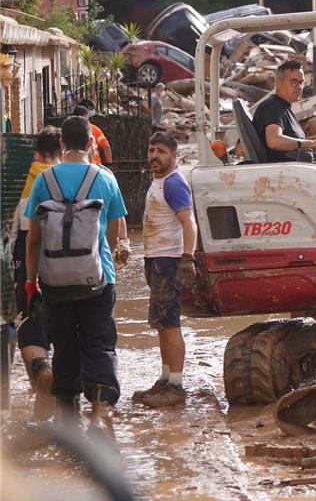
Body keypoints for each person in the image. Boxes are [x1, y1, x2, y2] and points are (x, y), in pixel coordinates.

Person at [23, 115, 129, 439]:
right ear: (91, 143)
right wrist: (102, 259)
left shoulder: (45, 180)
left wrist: (31, 282)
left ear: (61, 144)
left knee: (65, 346)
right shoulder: (106, 178)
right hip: (98, 278)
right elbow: (114, 232)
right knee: (99, 343)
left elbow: (33, 240)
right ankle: (101, 409)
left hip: (54, 282)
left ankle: (68, 425)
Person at [133, 132, 198, 408]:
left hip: (170, 260)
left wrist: (187, 258)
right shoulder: (159, 181)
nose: (154, 156)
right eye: (151, 150)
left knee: (170, 323)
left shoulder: (173, 183)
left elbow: (189, 223)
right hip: (156, 259)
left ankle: (176, 385)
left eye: (160, 151)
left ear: (174, 156)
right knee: (161, 322)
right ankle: (164, 379)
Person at [10, 126, 61, 419]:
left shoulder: (19, 181)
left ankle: (41, 373)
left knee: (29, 326)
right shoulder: (71, 178)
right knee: (63, 328)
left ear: (35, 152)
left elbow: (11, 231)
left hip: (25, 269)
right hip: (69, 269)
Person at [252, 60, 316, 167]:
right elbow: (274, 141)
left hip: (299, 168)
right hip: (287, 172)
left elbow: (297, 144)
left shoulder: (285, 108)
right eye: (294, 82)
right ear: (278, 82)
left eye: (301, 82)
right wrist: (313, 143)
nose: (299, 87)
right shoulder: (272, 107)